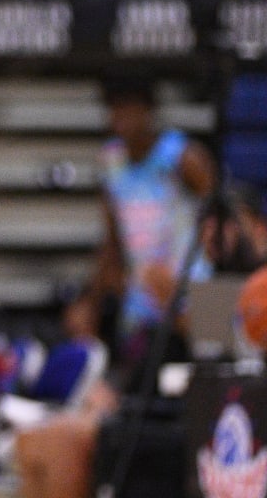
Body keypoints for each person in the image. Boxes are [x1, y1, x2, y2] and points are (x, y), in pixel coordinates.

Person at [95, 81, 215, 358]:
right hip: (144, 298)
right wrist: (95, 298)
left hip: (195, 288)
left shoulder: (183, 156)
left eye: (128, 109)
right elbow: (112, 238)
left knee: (213, 380)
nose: (120, 118)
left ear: (148, 111)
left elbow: (222, 221)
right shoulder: (110, 161)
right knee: (142, 388)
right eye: (114, 109)